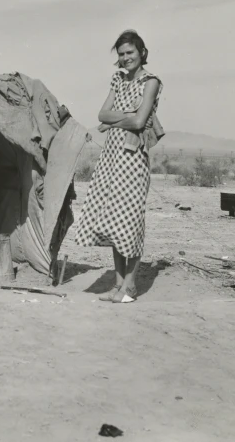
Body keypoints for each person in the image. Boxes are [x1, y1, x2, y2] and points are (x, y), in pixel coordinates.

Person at [74, 30, 163, 303]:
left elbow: (139, 124)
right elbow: (102, 114)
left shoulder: (151, 82)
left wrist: (118, 119)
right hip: (111, 157)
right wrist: (129, 115)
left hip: (133, 157)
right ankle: (117, 284)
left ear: (142, 52)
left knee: (131, 220)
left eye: (130, 53)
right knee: (112, 219)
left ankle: (131, 286)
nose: (126, 58)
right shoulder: (117, 80)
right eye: (122, 54)